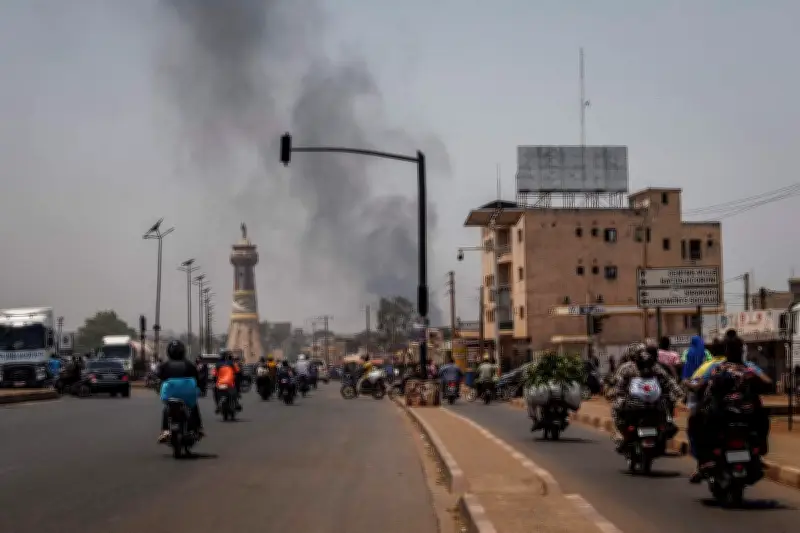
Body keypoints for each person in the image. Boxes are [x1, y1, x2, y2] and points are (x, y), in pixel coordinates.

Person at [686, 334, 771, 482]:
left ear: (726, 350)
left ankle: (704, 459)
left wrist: (686, 383)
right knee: (762, 415)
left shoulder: (717, 368)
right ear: (741, 350)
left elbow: (699, 386)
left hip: (722, 417)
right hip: (747, 417)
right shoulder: (749, 369)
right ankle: (760, 449)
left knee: (695, 419)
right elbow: (768, 383)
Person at [609, 344, 683, 451]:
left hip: (653, 402)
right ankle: (620, 435)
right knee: (617, 408)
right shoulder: (628, 368)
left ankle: (664, 430)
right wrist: (616, 392)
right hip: (633, 402)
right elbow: (619, 383)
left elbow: (668, 380)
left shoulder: (655, 367)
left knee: (667, 410)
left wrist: (678, 393)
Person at [157, 340, 203, 443]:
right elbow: (197, 379)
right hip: (187, 395)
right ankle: (198, 428)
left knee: (166, 410)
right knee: (194, 407)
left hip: (170, 395)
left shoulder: (165, 365)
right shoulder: (189, 365)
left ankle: (165, 430)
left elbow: (158, 378)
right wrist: (199, 388)